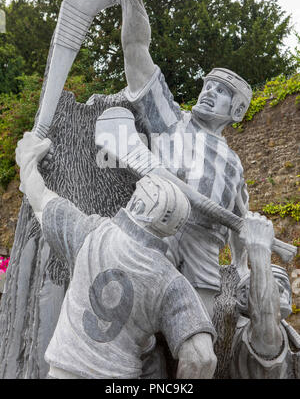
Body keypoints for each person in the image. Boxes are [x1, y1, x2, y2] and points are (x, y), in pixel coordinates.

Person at [93, 0, 253, 318]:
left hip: (202, 254)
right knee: (132, 337)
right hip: (153, 230)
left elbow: (241, 222)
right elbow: (136, 50)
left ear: (238, 111)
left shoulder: (233, 165)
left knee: (197, 346)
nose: (209, 93)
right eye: (208, 85)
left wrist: (245, 268)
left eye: (222, 92)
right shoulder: (171, 121)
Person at [15, 131, 217, 379]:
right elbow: (201, 357)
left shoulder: (90, 233)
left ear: (137, 203)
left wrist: (28, 158)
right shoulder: (171, 282)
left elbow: (39, 197)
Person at [230, 212, 300, 379]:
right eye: (273, 282)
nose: (281, 290)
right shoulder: (249, 334)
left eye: (285, 284)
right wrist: (259, 249)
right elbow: (264, 317)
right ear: (242, 297)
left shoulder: (292, 340)